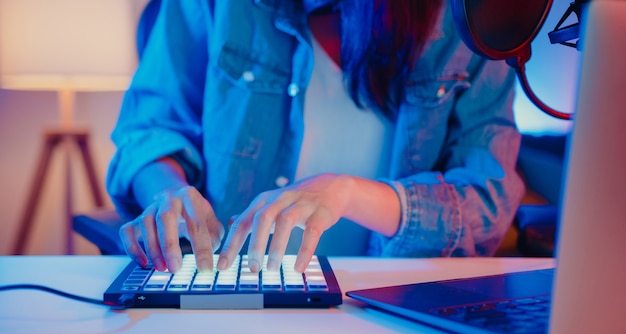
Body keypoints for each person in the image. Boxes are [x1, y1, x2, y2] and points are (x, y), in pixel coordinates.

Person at [106, 0, 525, 274]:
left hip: (387, 306)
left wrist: (349, 194)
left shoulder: (470, 21)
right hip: (229, 295)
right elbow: (150, 128)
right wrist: (167, 191)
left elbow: (489, 199)